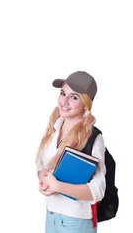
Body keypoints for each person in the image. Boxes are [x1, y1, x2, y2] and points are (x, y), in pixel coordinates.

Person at [37, 71, 106, 233]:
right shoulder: (53, 129)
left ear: (86, 104)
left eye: (73, 97)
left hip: (75, 221)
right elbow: (41, 164)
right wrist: (43, 176)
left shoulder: (93, 137)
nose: (64, 101)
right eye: (63, 94)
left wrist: (57, 186)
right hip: (51, 214)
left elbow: (98, 190)